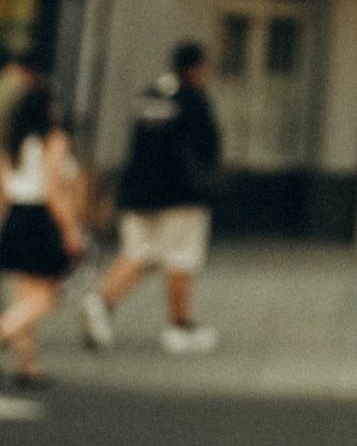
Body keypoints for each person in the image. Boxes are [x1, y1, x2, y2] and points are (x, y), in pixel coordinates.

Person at [82, 39, 223, 355]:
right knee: (180, 259)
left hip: (138, 193)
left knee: (137, 253)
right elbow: (206, 148)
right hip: (180, 196)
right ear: (197, 67)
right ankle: (180, 327)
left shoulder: (149, 97)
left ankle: (100, 302)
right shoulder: (194, 101)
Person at [2, 81, 90, 387]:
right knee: (48, 296)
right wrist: (71, 228)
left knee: (25, 293)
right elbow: (54, 191)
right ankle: (4, 331)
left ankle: (27, 364)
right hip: (42, 218)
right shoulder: (54, 139)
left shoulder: (13, 142)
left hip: (16, 215)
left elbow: (2, 189)